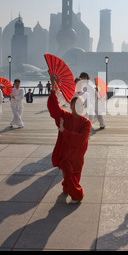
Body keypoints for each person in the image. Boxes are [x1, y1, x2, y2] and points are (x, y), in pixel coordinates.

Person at [48, 74, 92, 204]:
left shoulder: (86, 123)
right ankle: (77, 195)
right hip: (66, 152)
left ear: (83, 107)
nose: (77, 107)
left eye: (80, 105)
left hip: (77, 154)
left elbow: (81, 140)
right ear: (71, 106)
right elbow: (54, 107)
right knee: (67, 171)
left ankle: (68, 186)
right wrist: (53, 86)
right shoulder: (65, 116)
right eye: (75, 104)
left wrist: (64, 131)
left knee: (75, 174)